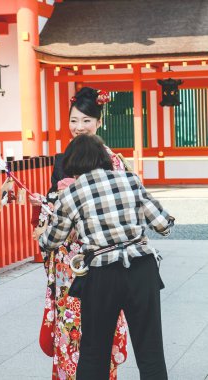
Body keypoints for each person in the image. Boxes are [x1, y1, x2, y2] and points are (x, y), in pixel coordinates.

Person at [40, 134, 175, 380]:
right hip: (142, 269)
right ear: (104, 159)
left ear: (73, 164)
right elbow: (163, 224)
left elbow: (52, 240)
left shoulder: (71, 193)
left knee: (94, 352)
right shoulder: (131, 180)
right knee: (151, 351)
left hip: (102, 274)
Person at [30, 87, 130, 380]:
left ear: (99, 122)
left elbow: (120, 213)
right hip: (65, 264)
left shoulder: (113, 162)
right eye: (74, 120)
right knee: (67, 325)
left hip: (98, 259)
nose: (79, 127)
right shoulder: (62, 160)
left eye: (86, 120)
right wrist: (45, 204)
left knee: (98, 326)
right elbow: (54, 211)